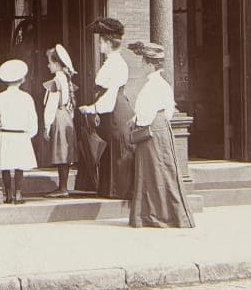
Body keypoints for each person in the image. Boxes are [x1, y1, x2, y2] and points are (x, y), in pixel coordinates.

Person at [127, 41, 195, 229]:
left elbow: (147, 112)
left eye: (143, 62)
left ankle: (155, 215)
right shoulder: (162, 84)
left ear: (149, 63)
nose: (141, 65)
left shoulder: (152, 86)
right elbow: (168, 110)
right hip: (160, 128)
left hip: (151, 131)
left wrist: (137, 122)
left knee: (153, 172)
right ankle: (164, 215)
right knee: (161, 171)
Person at [79, 16, 134, 199]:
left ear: (109, 43)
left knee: (116, 149)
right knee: (108, 148)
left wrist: (92, 108)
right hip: (111, 112)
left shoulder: (117, 64)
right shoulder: (111, 62)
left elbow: (110, 96)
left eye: (101, 41)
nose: (99, 45)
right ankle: (109, 190)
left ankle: (118, 191)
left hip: (116, 111)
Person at [0, 58, 39, 203]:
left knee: (6, 166)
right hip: (20, 135)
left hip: (5, 134)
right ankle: (18, 193)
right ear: (22, 80)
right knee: (19, 165)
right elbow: (33, 118)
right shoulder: (27, 98)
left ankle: (8, 193)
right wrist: (29, 134)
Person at [41, 43, 77, 197]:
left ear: (56, 63)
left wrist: (47, 125)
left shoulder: (56, 81)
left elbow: (50, 105)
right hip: (67, 116)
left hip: (59, 116)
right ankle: (63, 187)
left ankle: (62, 188)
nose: (48, 66)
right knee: (65, 153)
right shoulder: (66, 79)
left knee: (62, 152)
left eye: (49, 63)